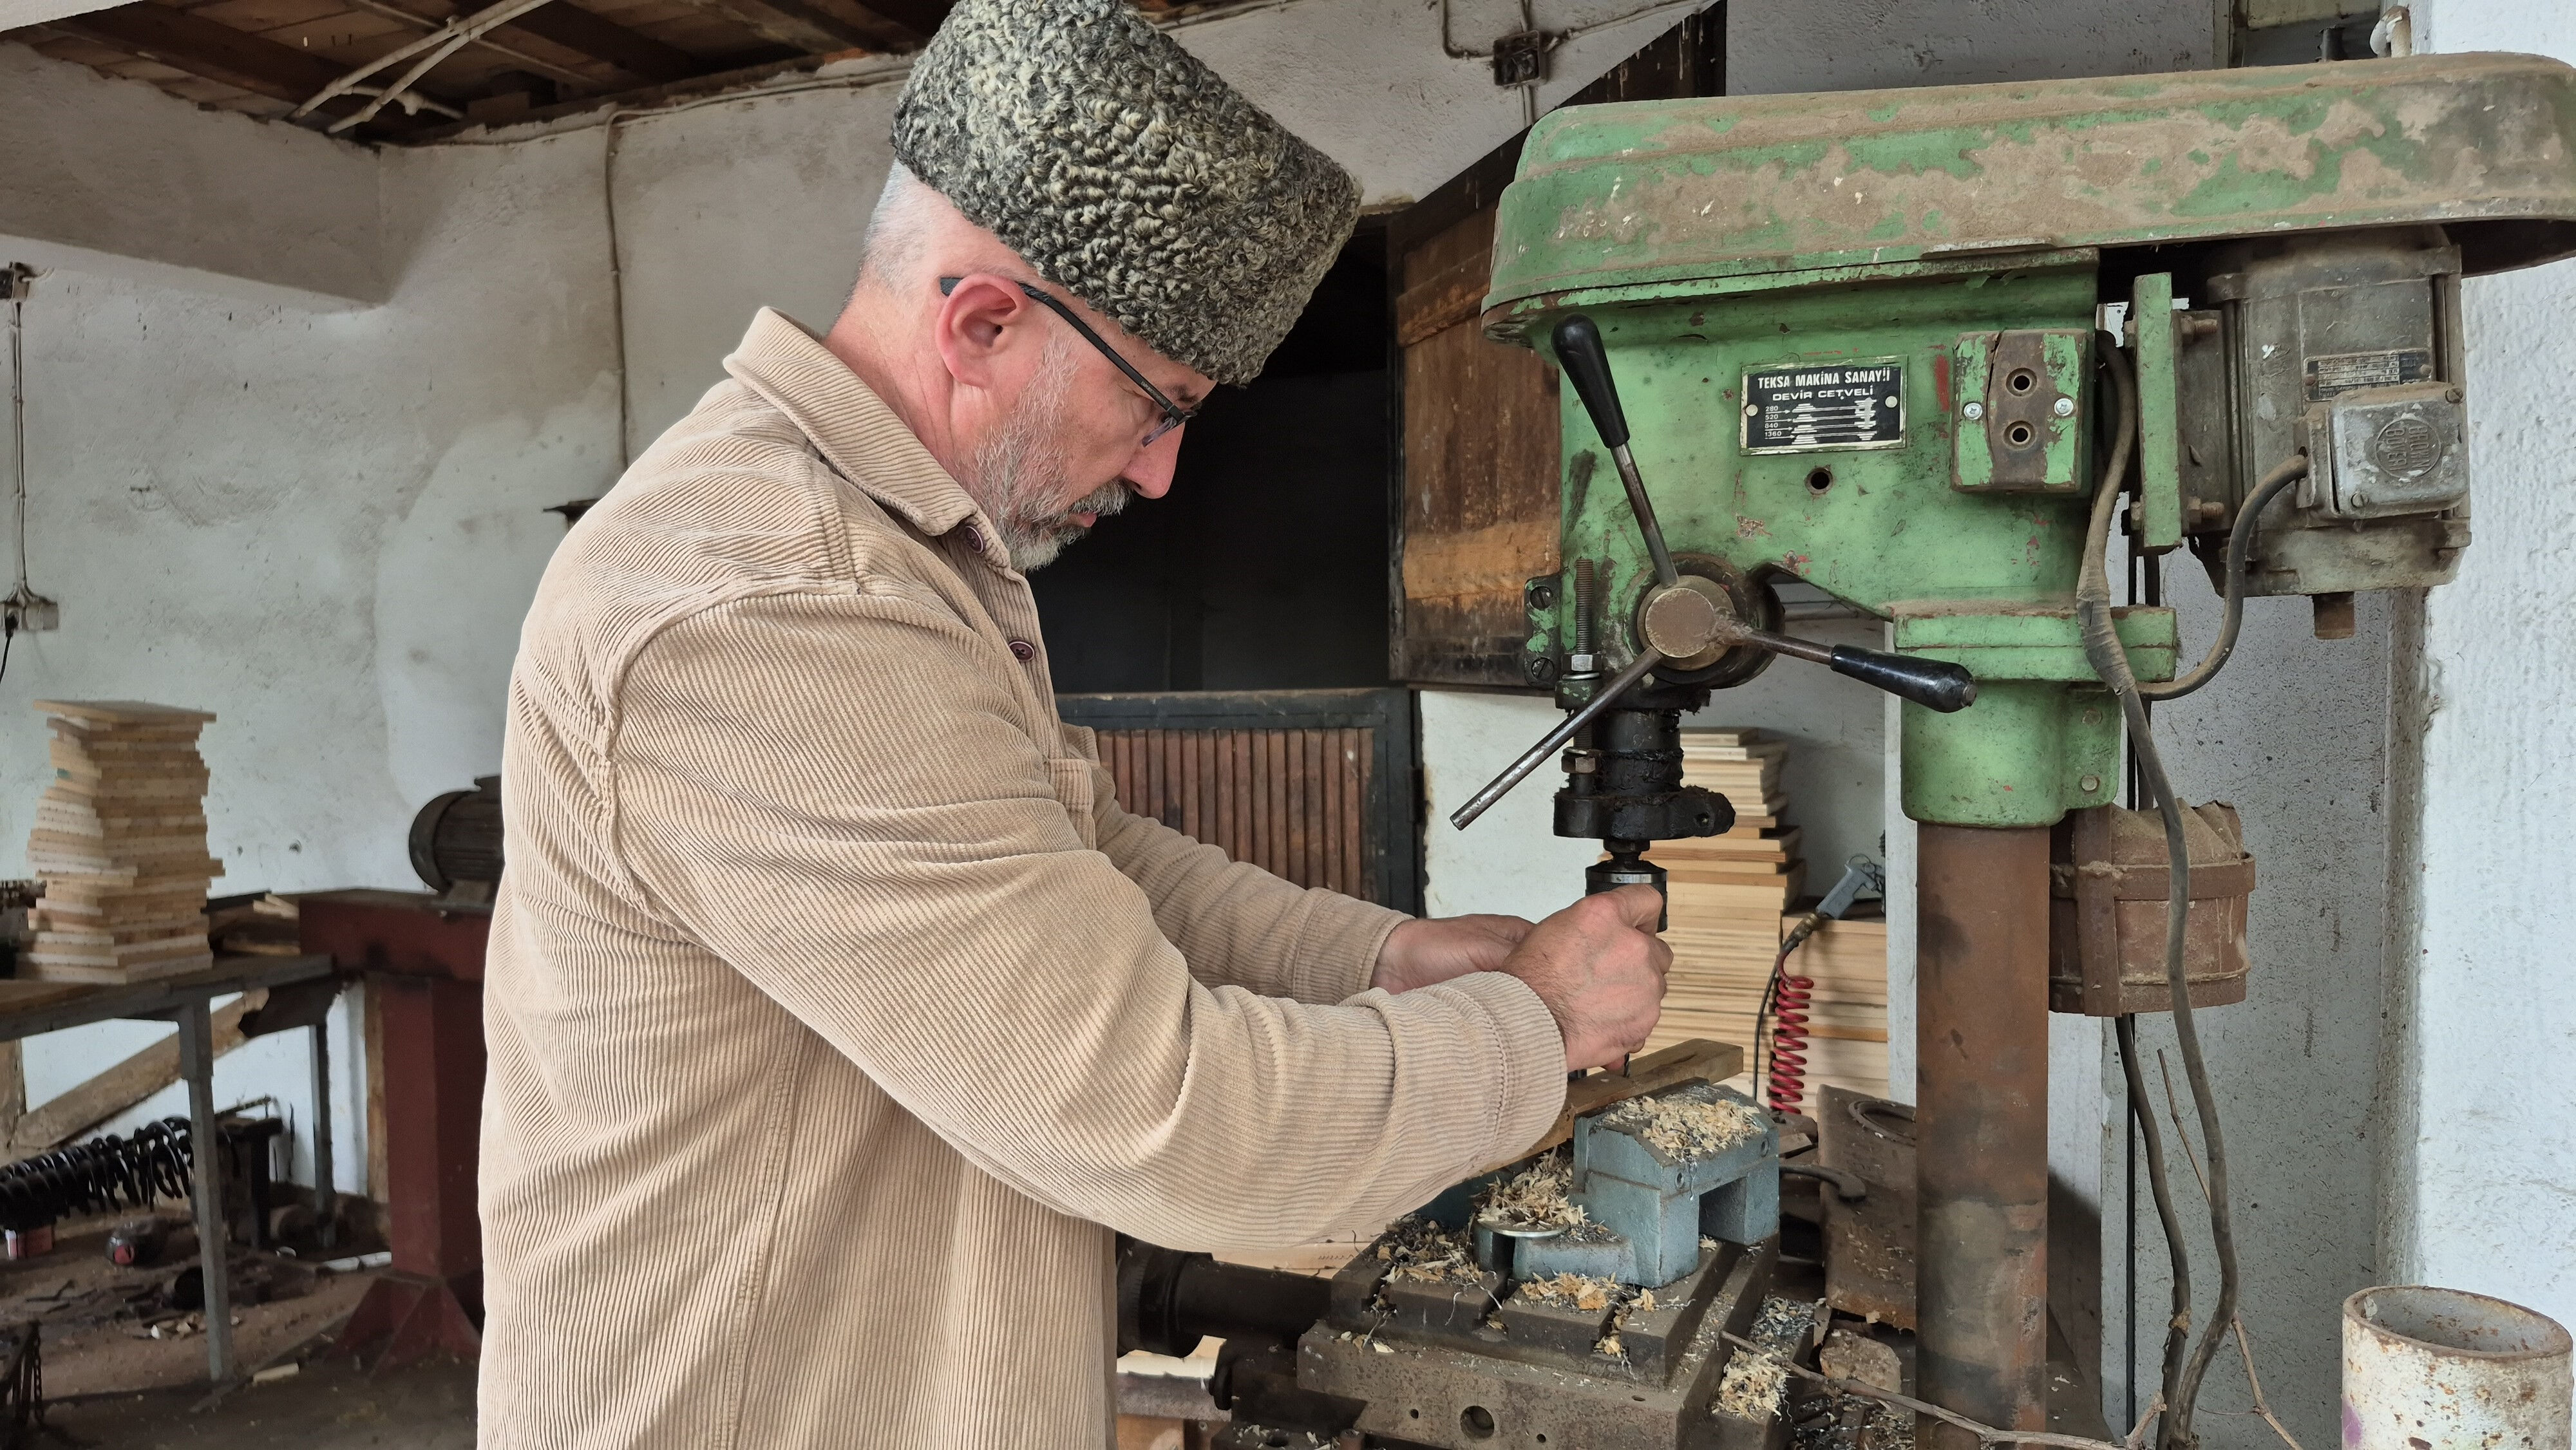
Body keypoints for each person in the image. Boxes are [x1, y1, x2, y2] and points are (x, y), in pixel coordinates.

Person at [477, 1, 1670, 1444]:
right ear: (982, 322)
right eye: (1155, 407)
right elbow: (1159, 1111)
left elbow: (1090, 856)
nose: (1162, 476)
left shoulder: (908, 556)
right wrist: (1526, 1031)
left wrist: (1389, 955)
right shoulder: (774, 603)